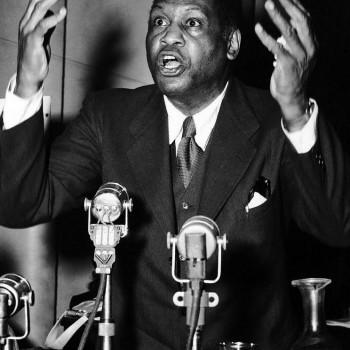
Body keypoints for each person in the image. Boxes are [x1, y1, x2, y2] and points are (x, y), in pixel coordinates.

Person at [0, 0, 349, 349]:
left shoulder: (277, 119)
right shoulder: (108, 117)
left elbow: (336, 226)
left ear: (231, 44)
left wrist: (296, 109)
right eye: (159, 21)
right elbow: (22, 205)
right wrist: (27, 83)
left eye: (192, 22)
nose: (169, 36)